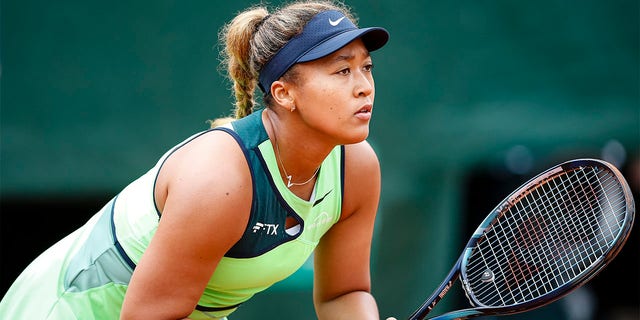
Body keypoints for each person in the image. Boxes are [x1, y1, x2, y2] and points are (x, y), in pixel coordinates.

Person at [0, 0, 391, 319]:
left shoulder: (356, 168)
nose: (363, 88)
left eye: (366, 68)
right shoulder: (219, 180)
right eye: (342, 71)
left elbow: (344, 293)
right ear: (284, 93)